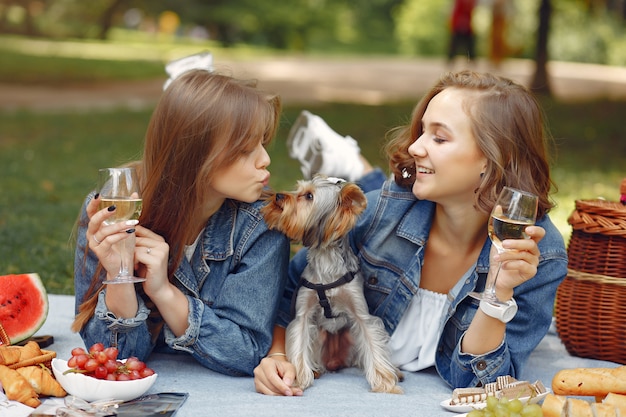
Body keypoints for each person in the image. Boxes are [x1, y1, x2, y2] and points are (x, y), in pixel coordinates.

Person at [254, 70, 567, 395]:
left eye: (439, 138)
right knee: (382, 200)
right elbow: (289, 292)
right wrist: (278, 355)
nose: (415, 147)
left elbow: (484, 384)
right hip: (392, 204)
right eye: (421, 132)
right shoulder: (380, 213)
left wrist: (497, 294)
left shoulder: (537, 256)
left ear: (492, 158)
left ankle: (351, 163)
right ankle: (353, 166)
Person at [72, 69, 290, 377]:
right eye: (245, 150)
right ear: (194, 155)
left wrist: (164, 292)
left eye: (263, 143)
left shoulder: (262, 227)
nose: (265, 159)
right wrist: (119, 273)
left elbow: (245, 351)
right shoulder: (113, 210)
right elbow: (112, 361)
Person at [448, 0, 477, 64]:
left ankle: (472, 58)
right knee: (455, 42)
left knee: (469, 42)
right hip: (458, 23)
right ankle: (451, 58)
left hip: (467, 23)